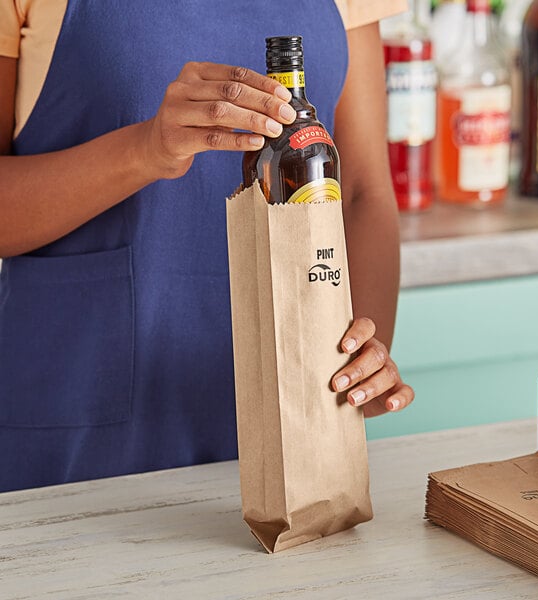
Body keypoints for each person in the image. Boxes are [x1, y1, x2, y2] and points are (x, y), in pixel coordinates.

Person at [0, 0, 414, 492]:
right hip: (77, 409)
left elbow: (363, 191)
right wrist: (146, 149)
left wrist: (357, 366)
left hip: (294, 407)